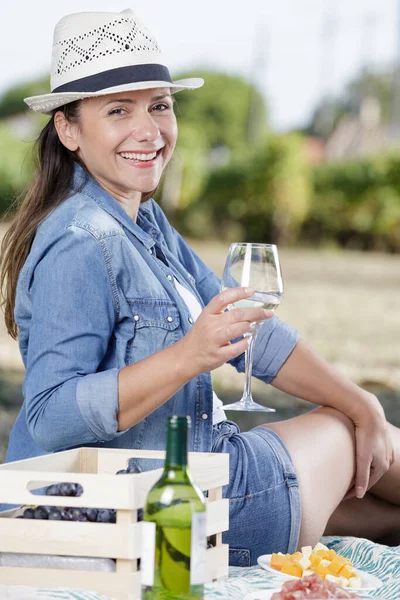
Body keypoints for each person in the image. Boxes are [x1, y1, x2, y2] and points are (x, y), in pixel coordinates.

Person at [1, 8, 399, 567]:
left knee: (375, 475)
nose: (149, 131)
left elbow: (252, 327)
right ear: (68, 129)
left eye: (160, 106)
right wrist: (189, 357)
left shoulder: (142, 221)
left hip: (190, 490)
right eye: (119, 110)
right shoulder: (82, 239)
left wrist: (364, 402)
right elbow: (49, 414)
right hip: (158, 514)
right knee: (342, 431)